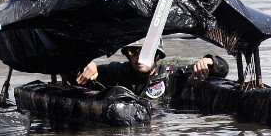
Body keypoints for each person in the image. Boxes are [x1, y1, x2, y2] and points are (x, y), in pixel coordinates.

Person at [69, 39, 230, 101]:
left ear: (157, 55)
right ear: (128, 55)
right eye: (134, 51)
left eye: (146, 52)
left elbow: (222, 70)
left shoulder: (171, 74)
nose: (139, 57)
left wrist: (209, 61)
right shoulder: (117, 72)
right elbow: (72, 77)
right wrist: (86, 65)